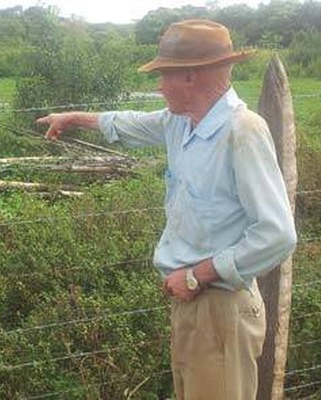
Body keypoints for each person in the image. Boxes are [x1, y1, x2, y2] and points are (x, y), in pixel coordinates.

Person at [36, 19, 297, 400]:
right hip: (192, 303)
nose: (158, 86)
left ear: (191, 77)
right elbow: (129, 123)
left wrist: (198, 275)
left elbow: (278, 234)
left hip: (221, 310)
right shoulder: (182, 123)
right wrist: (75, 118)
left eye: (164, 75)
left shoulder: (242, 131)